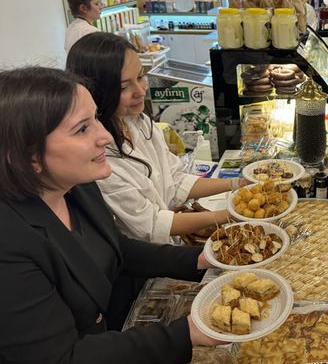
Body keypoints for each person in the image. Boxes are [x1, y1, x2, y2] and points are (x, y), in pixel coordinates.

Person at [0, 67, 222, 364]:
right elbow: (63, 357)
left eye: (96, 120)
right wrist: (186, 333)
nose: (105, 135)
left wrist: (201, 258)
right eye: (82, 129)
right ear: (30, 157)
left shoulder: (77, 188)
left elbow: (118, 249)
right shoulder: (10, 244)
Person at [66, 33, 244, 245]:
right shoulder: (100, 158)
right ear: (95, 92)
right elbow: (150, 225)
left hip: (171, 246)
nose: (140, 91)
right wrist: (228, 215)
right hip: (147, 262)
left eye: (140, 76)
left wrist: (238, 183)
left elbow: (175, 181)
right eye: (124, 87)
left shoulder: (140, 122)